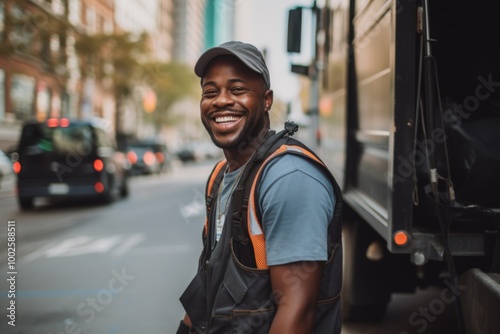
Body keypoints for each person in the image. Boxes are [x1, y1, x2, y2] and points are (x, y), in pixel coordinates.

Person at [177, 41, 342, 334]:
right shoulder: (220, 177)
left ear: (267, 100)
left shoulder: (288, 177)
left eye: (238, 90)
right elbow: (209, 280)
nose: (221, 101)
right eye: (210, 92)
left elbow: (297, 310)